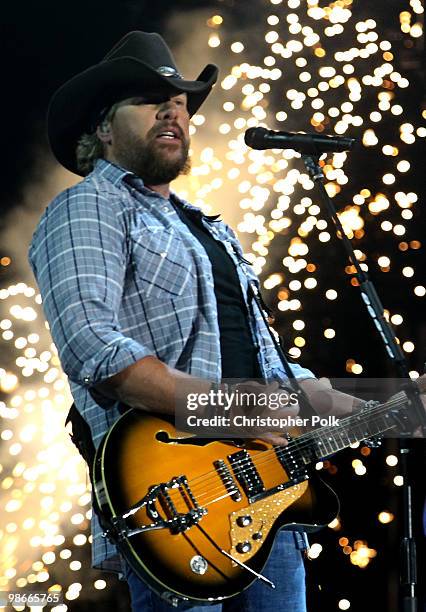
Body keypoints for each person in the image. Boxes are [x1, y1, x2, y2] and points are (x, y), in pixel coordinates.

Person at [29, 31, 375, 611]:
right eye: (149, 99)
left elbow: (260, 364)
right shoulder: (88, 205)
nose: (173, 111)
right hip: (179, 501)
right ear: (102, 129)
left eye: (183, 103)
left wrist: (366, 403)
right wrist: (241, 414)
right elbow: (96, 350)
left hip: (269, 498)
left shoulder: (212, 229)